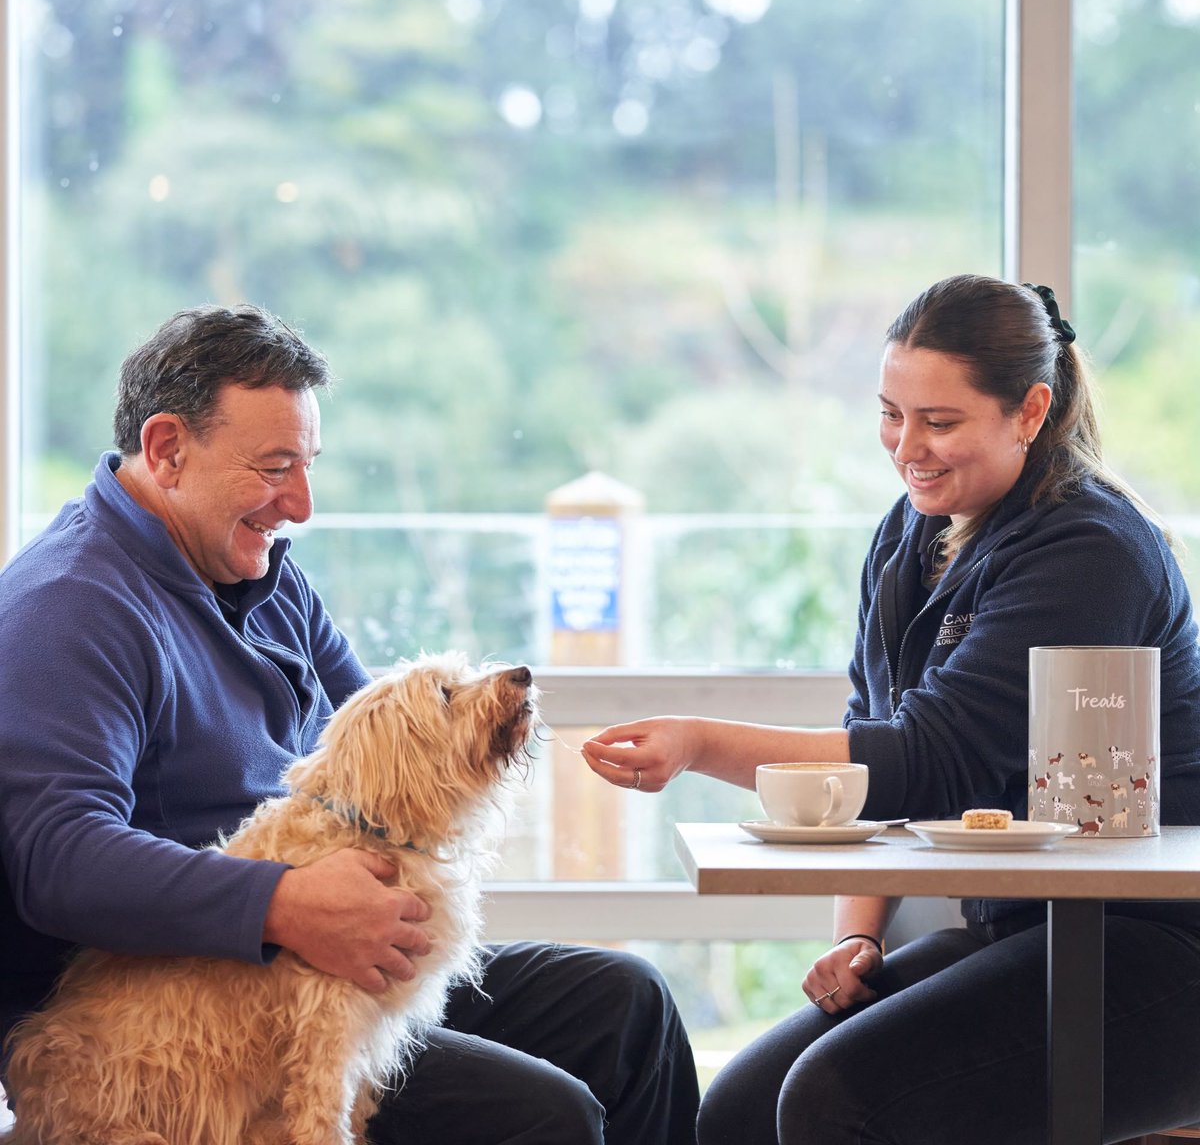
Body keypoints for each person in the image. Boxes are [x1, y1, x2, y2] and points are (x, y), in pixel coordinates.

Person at [0, 303, 700, 1144]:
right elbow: (57, 859)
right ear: (166, 449)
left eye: (308, 465)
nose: (300, 502)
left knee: (630, 1007)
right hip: (184, 1025)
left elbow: (388, 756)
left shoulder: (261, 575)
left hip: (330, 961)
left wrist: (486, 735)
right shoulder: (70, 608)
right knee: (544, 1117)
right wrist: (284, 903)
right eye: (274, 467)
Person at [582, 274, 1200, 1144]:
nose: (908, 446)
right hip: (1029, 928)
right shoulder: (910, 533)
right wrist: (858, 936)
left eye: (940, 422)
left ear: (1029, 411)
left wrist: (699, 743)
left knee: (841, 1102)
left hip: (1154, 948)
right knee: (739, 1116)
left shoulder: (1088, 548)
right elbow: (873, 723)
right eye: (890, 414)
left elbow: (925, 757)